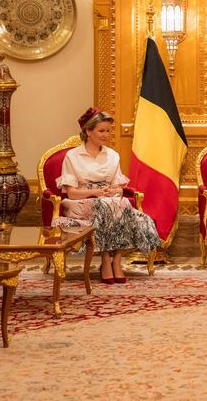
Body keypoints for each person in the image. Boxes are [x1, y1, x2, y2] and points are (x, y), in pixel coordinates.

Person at [55, 108, 161, 284]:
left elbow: (118, 186)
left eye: (108, 131)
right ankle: (105, 259)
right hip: (81, 202)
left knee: (123, 203)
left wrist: (116, 191)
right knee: (106, 205)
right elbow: (72, 193)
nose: (106, 135)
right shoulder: (72, 156)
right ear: (88, 131)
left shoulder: (113, 156)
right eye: (101, 131)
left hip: (109, 200)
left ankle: (117, 260)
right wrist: (96, 192)